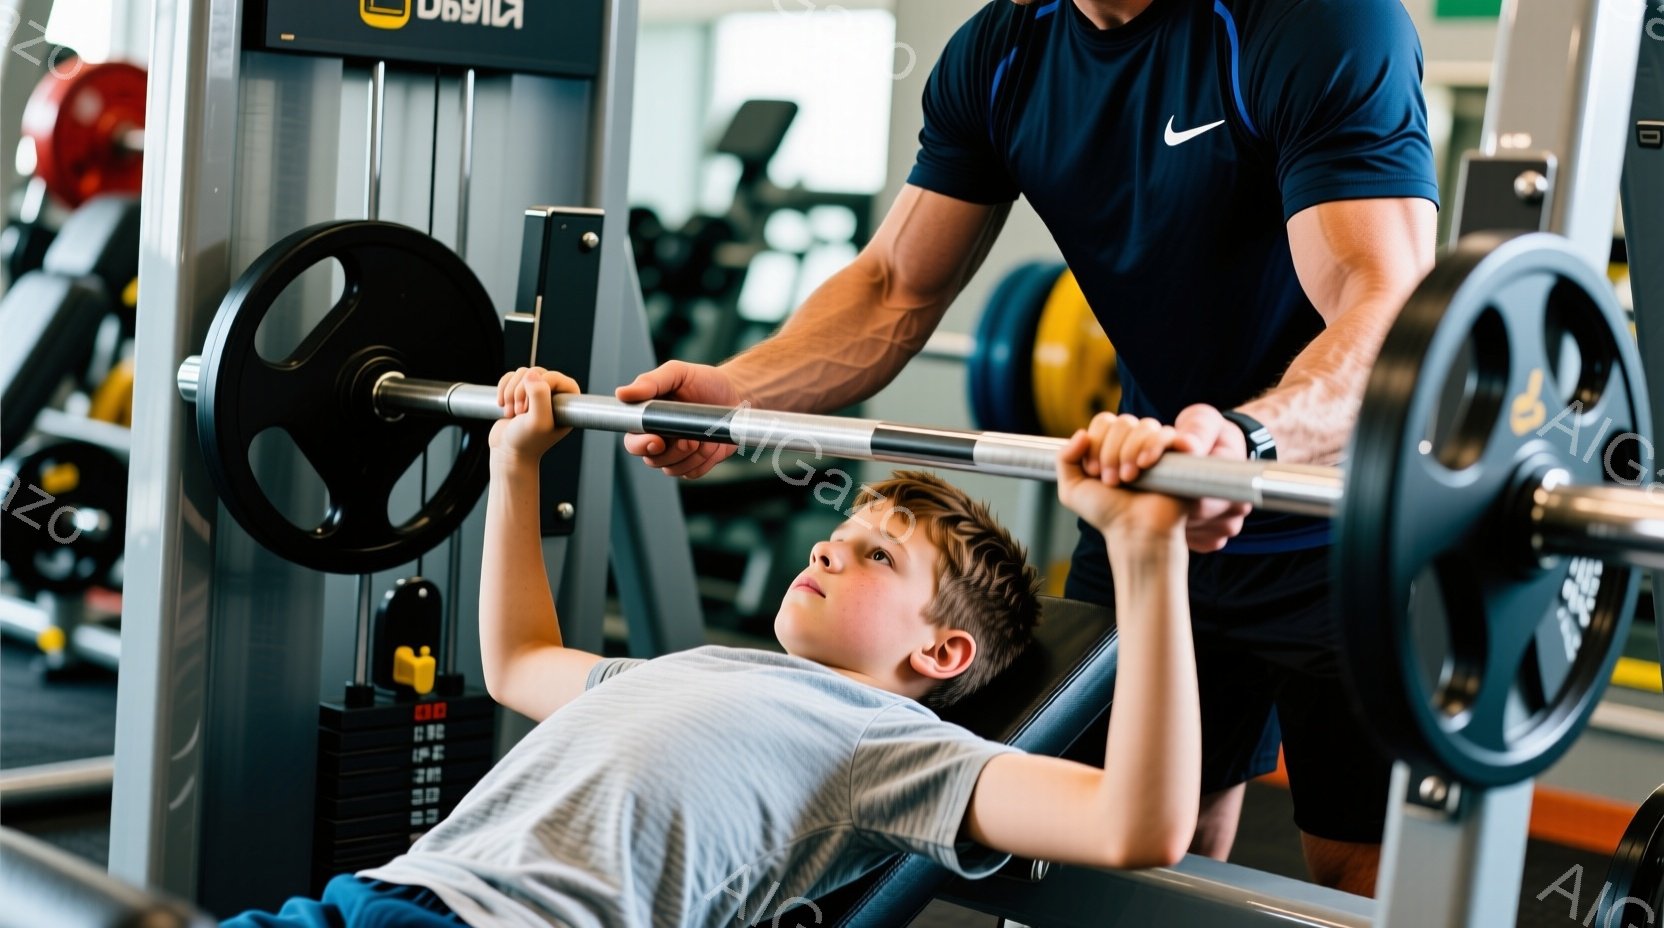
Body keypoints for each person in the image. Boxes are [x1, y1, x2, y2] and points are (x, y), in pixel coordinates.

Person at [616, 0, 1439, 895]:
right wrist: (744, 390)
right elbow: (895, 287)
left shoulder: (1316, 22)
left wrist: (1251, 444)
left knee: (1357, 878)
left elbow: (1384, 299)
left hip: (1351, 519)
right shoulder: (1004, 50)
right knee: (1122, 852)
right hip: (1156, 503)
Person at [221, 367, 1201, 927]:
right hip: (372, 900)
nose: (825, 542)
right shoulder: (690, 669)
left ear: (940, 653)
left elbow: (1135, 825)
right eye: (839, 531)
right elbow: (517, 661)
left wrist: (1146, 553)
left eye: (874, 555)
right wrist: (513, 463)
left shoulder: (890, 745)